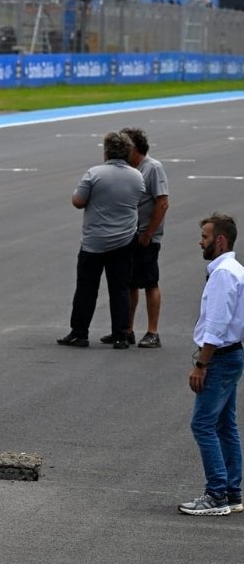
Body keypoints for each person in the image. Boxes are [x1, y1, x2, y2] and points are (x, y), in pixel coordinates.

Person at [178, 214, 244, 516]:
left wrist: (201, 364)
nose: (200, 242)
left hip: (219, 358)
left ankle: (216, 494)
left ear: (220, 240)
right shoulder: (235, 270)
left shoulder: (222, 275)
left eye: (204, 237)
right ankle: (231, 492)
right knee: (224, 425)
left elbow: (216, 325)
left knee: (203, 424)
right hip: (233, 354)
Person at [57, 132, 144, 349]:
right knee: (120, 289)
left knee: (86, 288)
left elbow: (78, 201)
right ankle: (121, 334)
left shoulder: (94, 173)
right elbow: (138, 200)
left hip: (94, 241)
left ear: (106, 151)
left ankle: (80, 333)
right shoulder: (137, 176)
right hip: (124, 240)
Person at [111, 127, 170, 348]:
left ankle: (153, 332)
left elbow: (162, 203)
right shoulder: (128, 169)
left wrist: (149, 233)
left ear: (134, 147)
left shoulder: (152, 168)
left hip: (146, 235)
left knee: (149, 282)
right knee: (130, 283)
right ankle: (127, 329)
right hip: (128, 234)